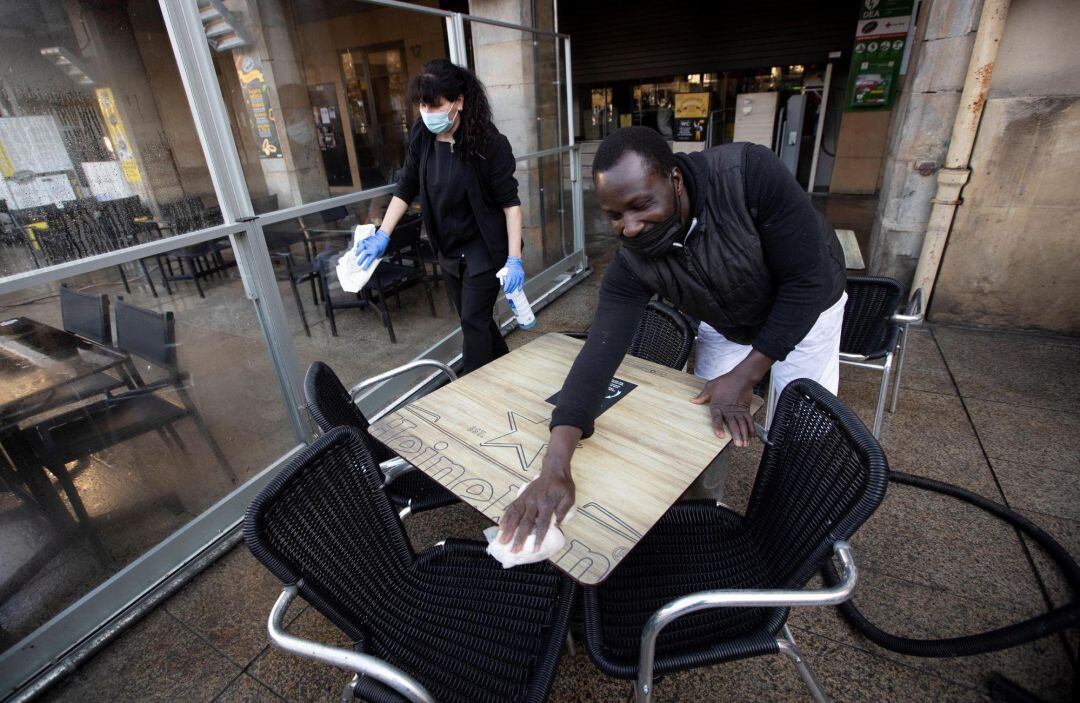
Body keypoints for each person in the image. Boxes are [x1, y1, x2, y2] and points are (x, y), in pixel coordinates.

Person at [498, 126, 847, 551]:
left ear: (675, 180)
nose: (629, 228)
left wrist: (746, 375)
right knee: (705, 422)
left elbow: (806, 282)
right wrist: (555, 466)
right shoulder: (631, 264)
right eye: (614, 215)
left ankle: (798, 523)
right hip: (727, 318)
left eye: (641, 205)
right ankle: (702, 516)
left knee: (800, 422)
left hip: (807, 306)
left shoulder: (749, 173)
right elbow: (599, 353)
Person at [356, 59, 524, 374]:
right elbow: (405, 187)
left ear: (459, 101)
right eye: (423, 105)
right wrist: (383, 234)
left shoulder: (489, 143)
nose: (428, 113)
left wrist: (514, 258)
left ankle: (469, 387)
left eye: (436, 105)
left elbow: (510, 203)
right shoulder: (422, 135)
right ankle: (506, 369)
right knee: (477, 320)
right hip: (448, 248)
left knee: (473, 322)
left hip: (483, 250)